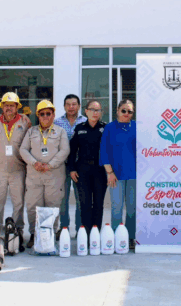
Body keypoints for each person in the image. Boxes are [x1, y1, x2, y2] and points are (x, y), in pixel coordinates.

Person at [20, 99, 70, 248]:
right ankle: (34, 234)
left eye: (48, 113)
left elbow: (65, 151)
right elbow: (23, 150)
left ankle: (50, 235)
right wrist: (34, 163)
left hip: (54, 175)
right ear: (38, 116)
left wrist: (50, 165)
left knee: (52, 206)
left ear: (53, 115)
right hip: (34, 176)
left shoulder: (60, 132)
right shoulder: (31, 132)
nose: (45, 116)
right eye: (42, 114)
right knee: (33, 206)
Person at [0, 92, 31, 244]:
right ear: (2, 107)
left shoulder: (25, 124)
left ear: (17, 107)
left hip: (18, 170)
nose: (9, 108)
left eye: (12, 105)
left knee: (19, 203)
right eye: (6, 105)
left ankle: (18, 231)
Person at [100, 99, 137, 248]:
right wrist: (109, 172)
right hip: (115, 174)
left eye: (130, 111)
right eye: (124, 110)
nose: (126, 114)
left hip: (134, 174)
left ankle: (130, 237)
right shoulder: (109, 128)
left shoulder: (136, 127)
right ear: (117, 110)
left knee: (132, 208)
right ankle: (116, 236)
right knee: (116, 207)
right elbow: (104, 152)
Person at [67, 100, 106, 230]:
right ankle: (86, 233)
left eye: (98, 110)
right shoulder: (79, 128)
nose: (95, 113)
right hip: (82, 171)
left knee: (98, 203)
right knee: (85, 203)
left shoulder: (105, 128)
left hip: (100, 171)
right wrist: (71, 169)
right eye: (93, 110)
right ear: (86, 111)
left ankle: (96, 232)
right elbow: (72, 151)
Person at [54, 94, 86, 239]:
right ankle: (64, 228)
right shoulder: (57, 123)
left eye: (74, 104)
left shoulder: (86, 121)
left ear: (79, 106)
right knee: (63, 198)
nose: (71, 107)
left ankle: (80, 229)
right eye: (68, 104)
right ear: (64, 106)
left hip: (80, 166)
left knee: (80, 198)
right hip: (62, 165)